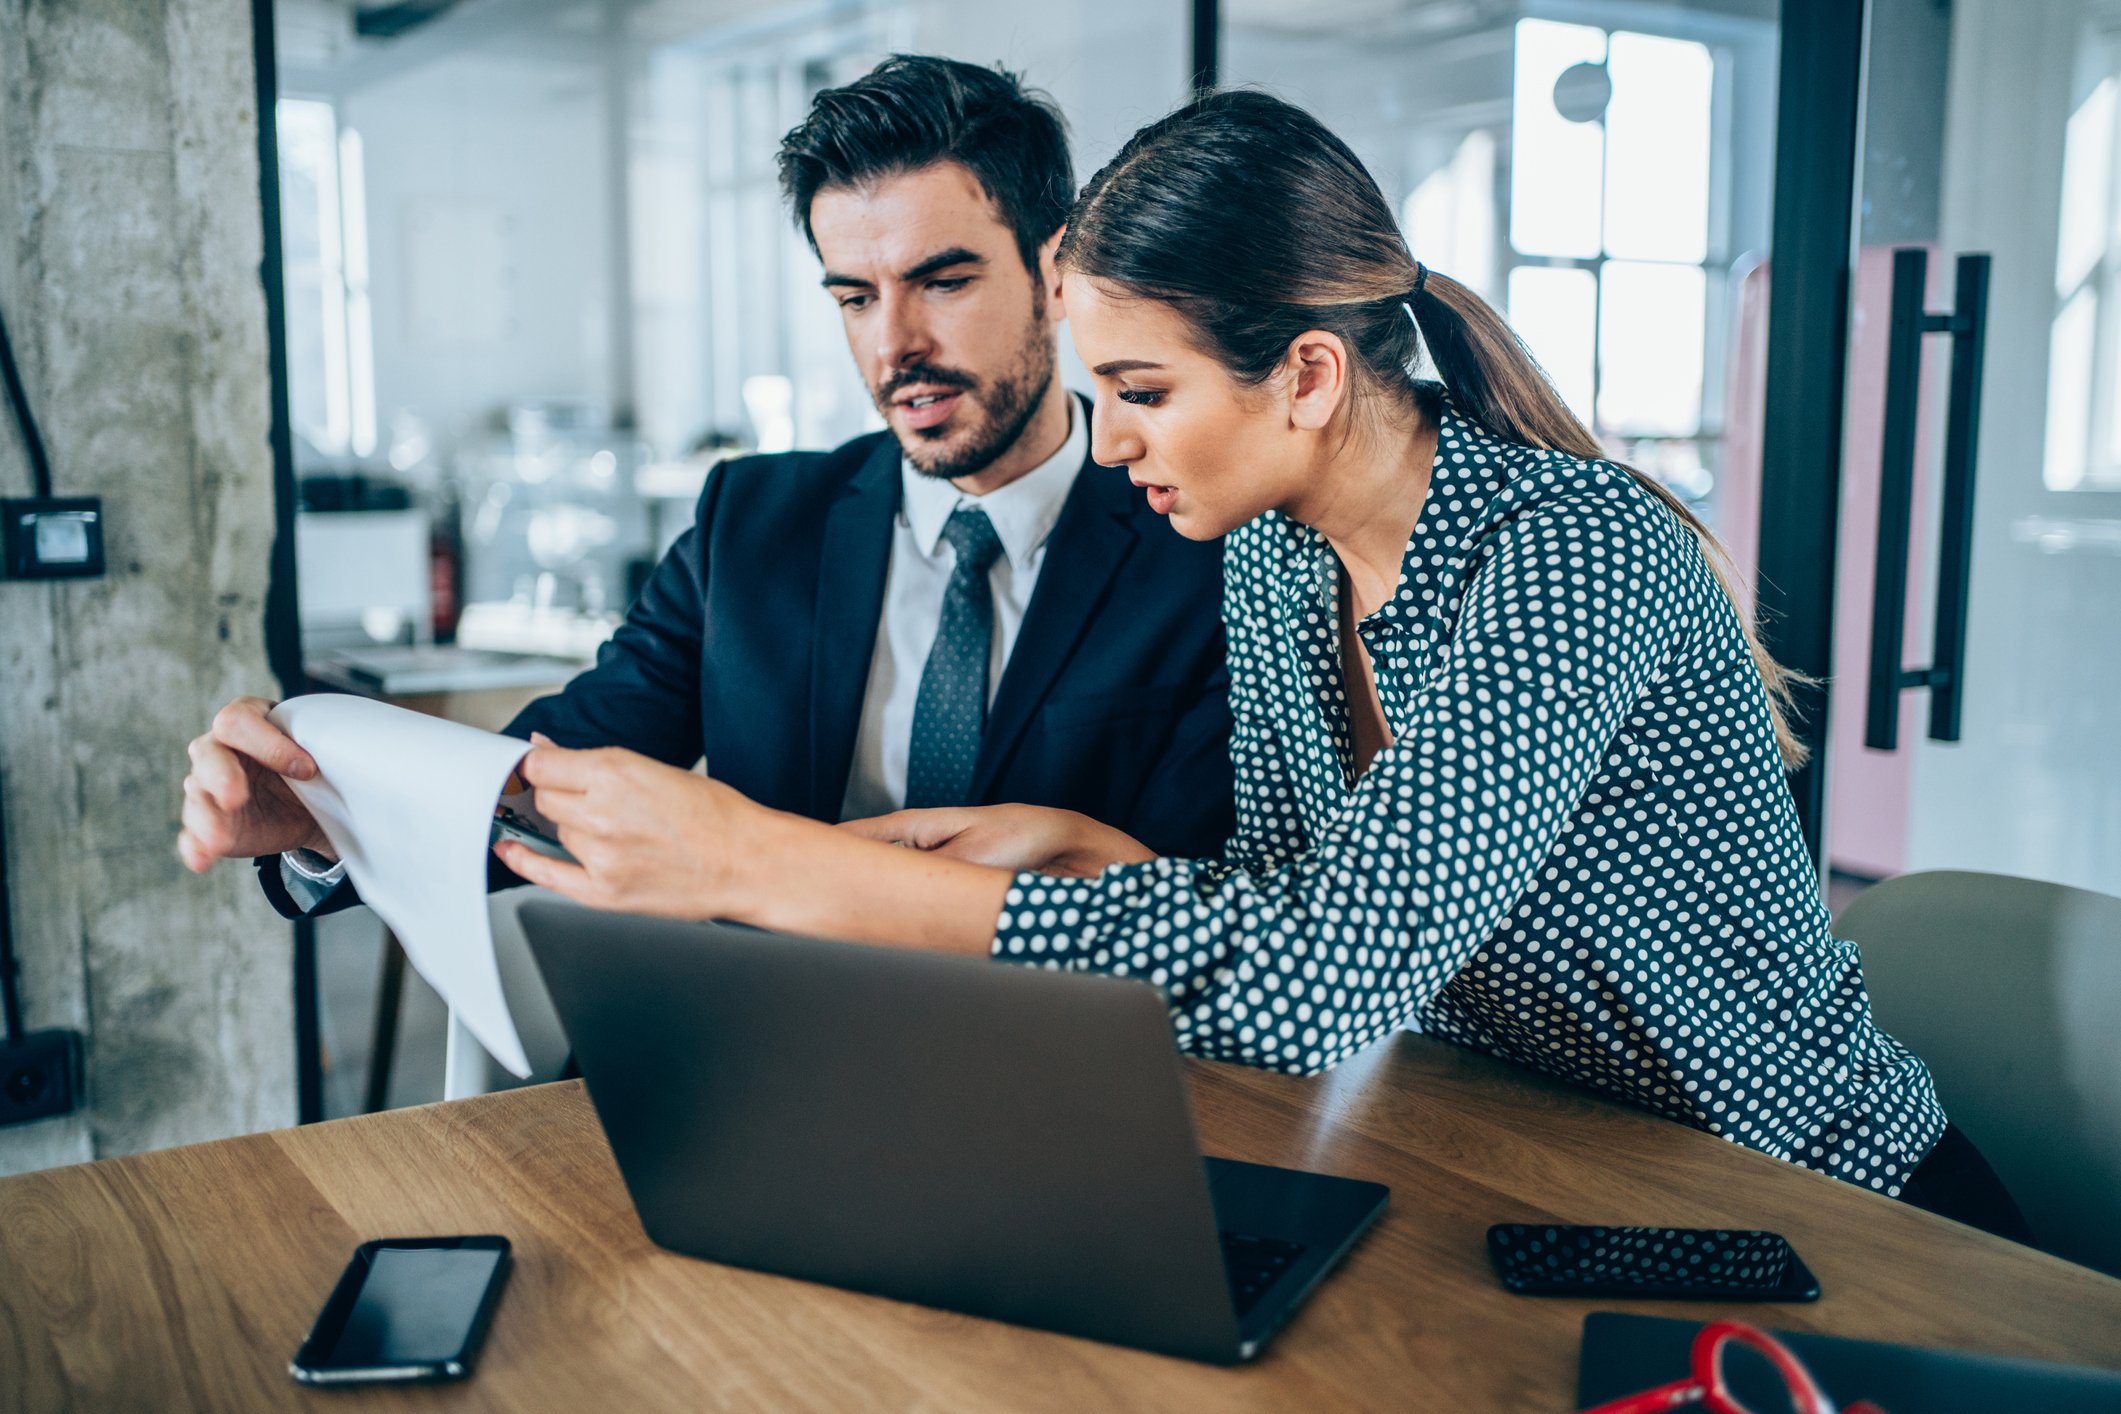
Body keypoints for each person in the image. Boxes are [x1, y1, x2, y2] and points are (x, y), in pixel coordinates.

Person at [480, 89, 2032, 1243]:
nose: (1114, 438)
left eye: (1142, 388)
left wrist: (765, 863)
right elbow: (1301, 893)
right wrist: (1097, 856)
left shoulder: (1570, 551)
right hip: (1523, 1167)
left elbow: (1326, 974)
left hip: (1815, 1201)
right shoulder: (1279, 552)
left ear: (1303, 375)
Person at [177, 56, 1234, 917]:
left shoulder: (1201, 539)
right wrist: (329, 815)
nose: (895, 346)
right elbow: (556, 776)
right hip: (745, 1052)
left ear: (1057, 274)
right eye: (855, 297)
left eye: (942, 282)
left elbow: (1212, 898)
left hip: (1049, 1078)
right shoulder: (753, 524)